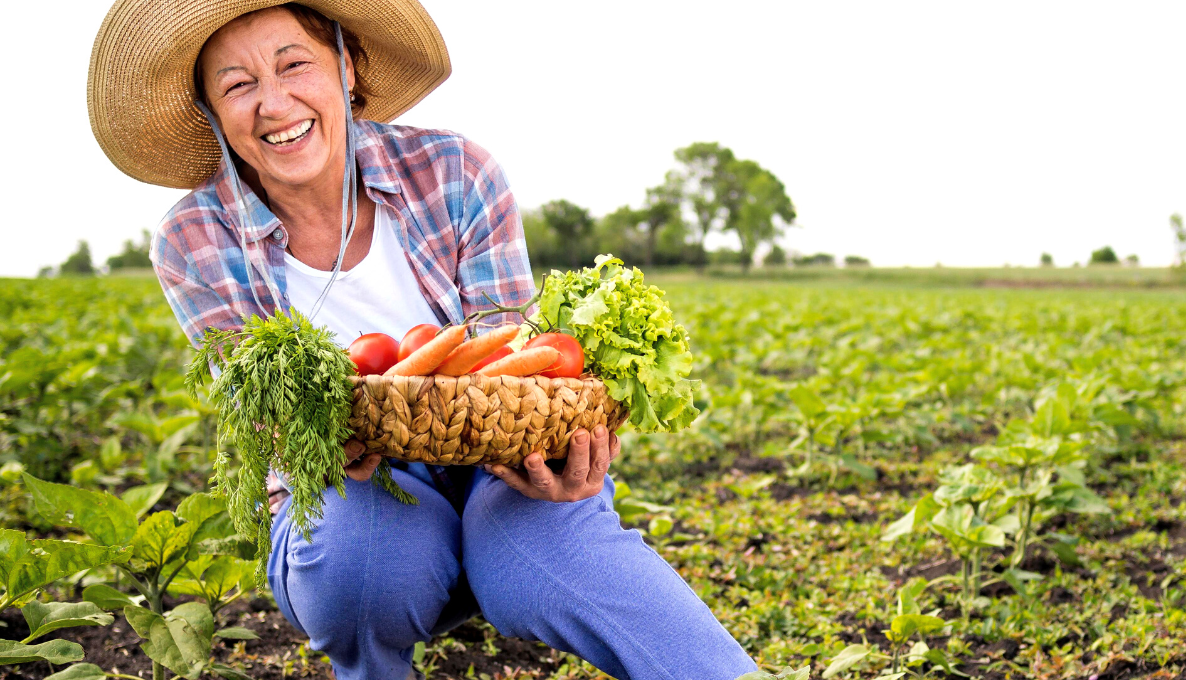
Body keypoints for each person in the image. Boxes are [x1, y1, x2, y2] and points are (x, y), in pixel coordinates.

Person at [86, 2, 758, 679]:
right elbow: (266, 420)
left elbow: (517, 370)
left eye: (295, 65)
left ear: (347, 68)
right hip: (349, 490)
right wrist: (313, 445)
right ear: (211, 111)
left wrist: (560, 458)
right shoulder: (196, 239)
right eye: (237, 84)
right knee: (363, 570)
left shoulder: (454, 171)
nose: (273, 102)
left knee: (547, 558)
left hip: (497, 465)